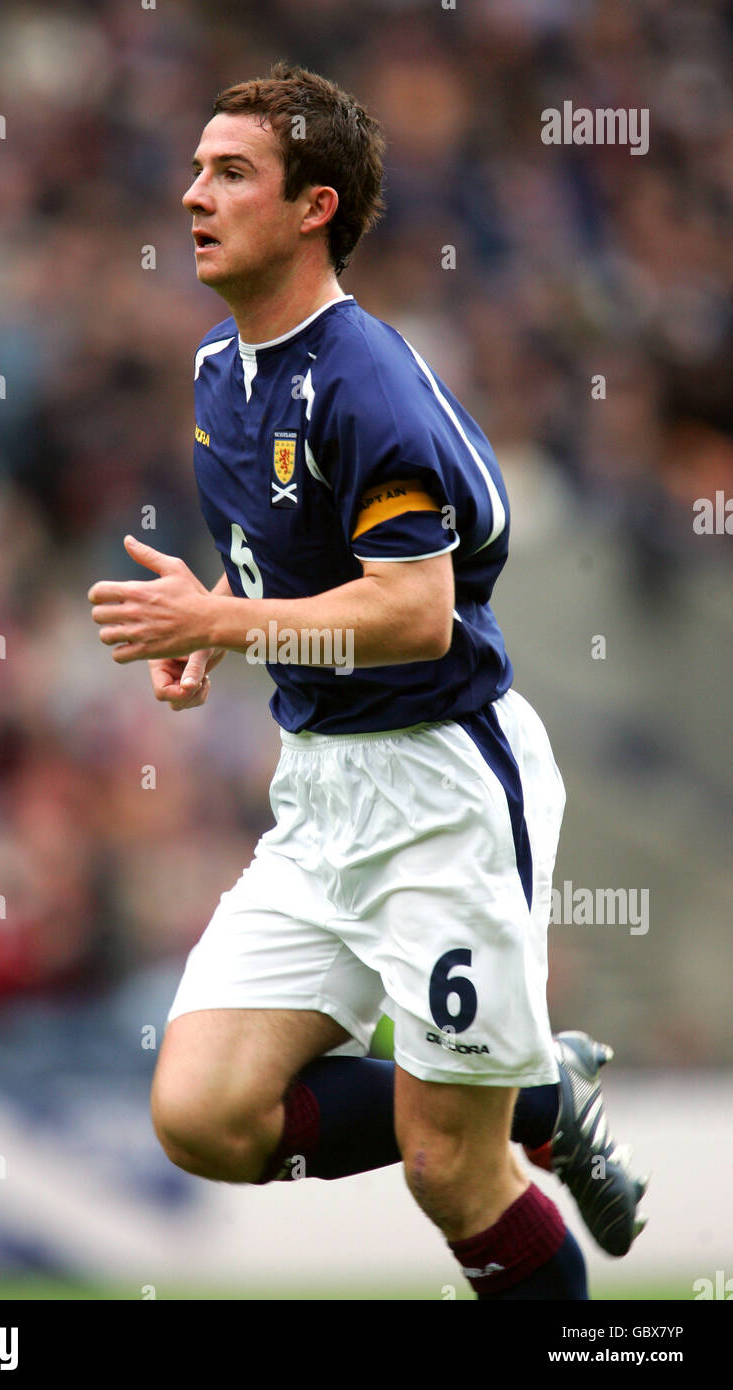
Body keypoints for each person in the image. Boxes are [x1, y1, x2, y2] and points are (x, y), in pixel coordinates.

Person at [88, 62, 646, 1299]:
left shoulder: (363, 378)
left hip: (441, 792)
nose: (191, 194)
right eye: (193, 168)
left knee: (448, 1170)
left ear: (313, 208)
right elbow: (281, 572)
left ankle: (518, 1109)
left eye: (230, 172)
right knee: (203, 1113)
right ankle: (533, 1082)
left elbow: (412, 613)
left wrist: (230, 622)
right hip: (323, 794)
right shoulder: (214, 375)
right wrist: (214, 628)